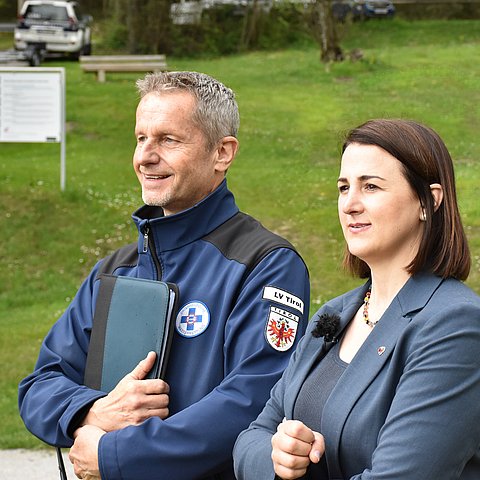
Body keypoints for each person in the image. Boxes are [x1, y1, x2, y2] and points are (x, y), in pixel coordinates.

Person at [18, 71, 310, 480]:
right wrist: (91, 410)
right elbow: (39, 385)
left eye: (168, 140)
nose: (145, 157)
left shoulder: (266, 263)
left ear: (222, 153)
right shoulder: (114, 270)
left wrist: (116, 454)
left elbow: (251, 401)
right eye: (141, 138)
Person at [233, 118, 480, 480]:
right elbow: (251, 437)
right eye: (343, 187)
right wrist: (278, 457)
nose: (350, 204)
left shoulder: (454, 325)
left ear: (429, 202)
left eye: (371, 187)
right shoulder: (335, 313)